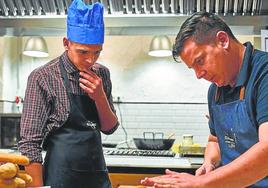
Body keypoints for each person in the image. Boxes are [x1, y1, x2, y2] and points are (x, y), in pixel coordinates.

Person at [141, 12, 268, 188]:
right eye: (192, 68)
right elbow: (215, 140)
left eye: (200, 61)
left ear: (222, 40)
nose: (199, 75)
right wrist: (210, 163)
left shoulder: (264, 73)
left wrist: (201, 182)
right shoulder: (215, 91)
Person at [18, 0, 119, 187]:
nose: (90, 60)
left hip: (97, 177)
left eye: (97, 52)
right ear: (66, 43)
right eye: (83, 52)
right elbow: (30, 143)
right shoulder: (43, 77)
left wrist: (100, 97)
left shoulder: (102, 74)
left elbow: (109, 128)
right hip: (59, 178)